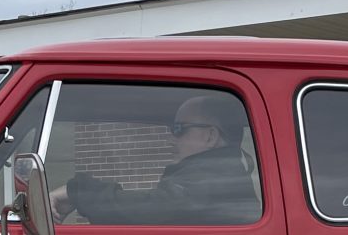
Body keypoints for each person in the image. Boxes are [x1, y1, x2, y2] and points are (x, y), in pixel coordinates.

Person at [54, 93, 260, 225]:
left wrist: (77, 192)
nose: (171, 138)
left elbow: (152, 209)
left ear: (210, 136)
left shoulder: (214, 178)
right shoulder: (223, 174)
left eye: (179, 129)